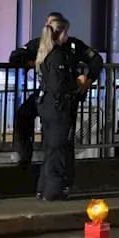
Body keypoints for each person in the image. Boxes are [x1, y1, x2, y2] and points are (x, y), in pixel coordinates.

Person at [10, 12, 102, 172]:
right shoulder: (39, 44)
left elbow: (96, 60)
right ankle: (26, 157)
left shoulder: (73, 46)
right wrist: (40, 65)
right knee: (24, 115)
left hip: (67, 96)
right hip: (46, 95)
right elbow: (16, 57)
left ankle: (62, 175)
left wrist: (87, 81)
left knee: (63, 138)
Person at [34, 15, 84, 201]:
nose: (67, 36)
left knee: (50, 148)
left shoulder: (45, 52)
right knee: (57, 149)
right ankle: (53, 190)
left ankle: (43, 187)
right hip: (58, 107)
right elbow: (58, 85)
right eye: (66, 32)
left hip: (47, 105)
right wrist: (76, 86)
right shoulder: (58, 55)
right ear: (59, 33)